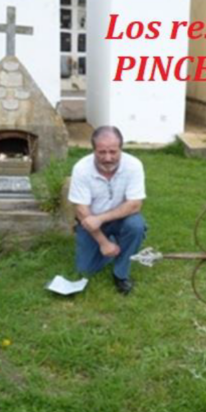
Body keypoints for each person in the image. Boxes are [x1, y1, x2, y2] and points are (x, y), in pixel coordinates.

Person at [68, 126, 147, 294]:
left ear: (121, 149)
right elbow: (81, 210)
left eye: (113, 152)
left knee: (136, 225)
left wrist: (100, 219)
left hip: (120, 219)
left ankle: (120, 274)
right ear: (93, 150)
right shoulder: (81, 168)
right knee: (86, 269)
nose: (108, 158)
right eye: (101, 152)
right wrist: (103, 243)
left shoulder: (134, 165)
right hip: (90, 221)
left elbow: (135, 204)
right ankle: (112, 243)